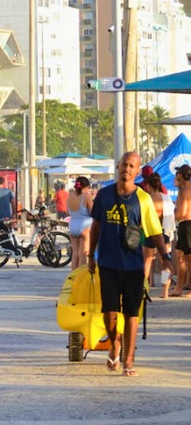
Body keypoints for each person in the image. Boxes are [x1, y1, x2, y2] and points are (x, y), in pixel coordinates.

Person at [87, 151, 176, 377]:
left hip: (134, 265)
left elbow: (155, 232)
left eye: (131, 166)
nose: (127, 169)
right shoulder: (104, 196)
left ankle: (128, 360)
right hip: (107, 262)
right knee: (109, 314)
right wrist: (90, 256)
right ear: (118, 166)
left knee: (131, 314)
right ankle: (115, 342)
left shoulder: (143, 199)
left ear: (137, 171)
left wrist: (166, 258)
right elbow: (96, 226)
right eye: (124, 164)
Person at [140, 170, 173, 297]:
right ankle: (165, 291)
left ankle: (143, 289)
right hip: (164, 232)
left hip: (151, 232)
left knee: (147, 262)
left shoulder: (148, 199)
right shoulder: (167, 198)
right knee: (165, 262)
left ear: (148, 185)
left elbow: (143, 219)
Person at [67, 176, 94, 269]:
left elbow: (68, 212)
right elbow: (93, 212)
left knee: (75, 253)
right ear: (85, 187)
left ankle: (74, 275)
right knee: (83, 253)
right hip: (85, 226)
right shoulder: (87, 197)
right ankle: (81, 274)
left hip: (72, 225)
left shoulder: (70, 196)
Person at [174, 164, 191, 296]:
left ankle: (186, 287)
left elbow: (182, 213)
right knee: (180, 255)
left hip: (186, 224)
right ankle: (179, 287)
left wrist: (174, 213)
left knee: (188, 258)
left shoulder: (184, 190)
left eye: (178, 173)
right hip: (185, 225)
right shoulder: (185, 189)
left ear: (181, 175)